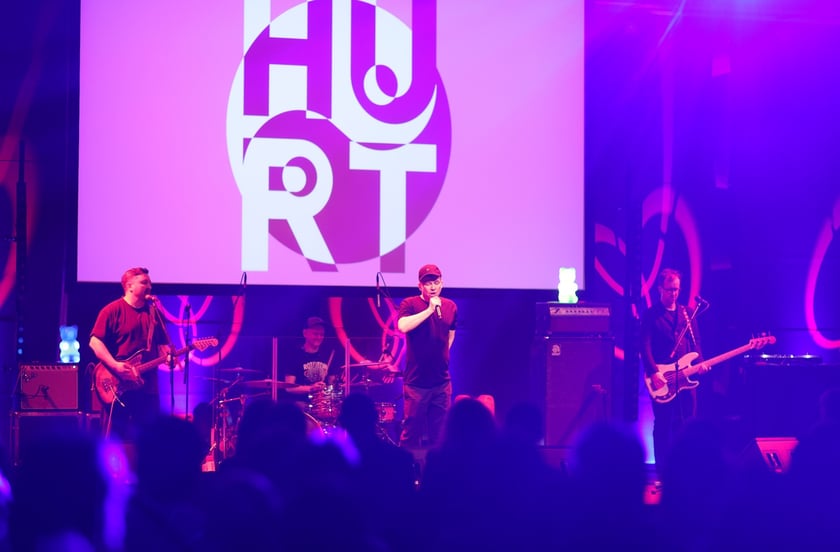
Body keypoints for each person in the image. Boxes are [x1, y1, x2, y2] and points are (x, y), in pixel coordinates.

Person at [89, 267, 173, 442]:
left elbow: (163, 348)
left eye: (150, 283)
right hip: (118, 386)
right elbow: (95, 343)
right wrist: (115, 366)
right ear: (129, 286)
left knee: (148, 440)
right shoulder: (112, 310)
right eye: (144, 282)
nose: (149, 286)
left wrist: (170, 358)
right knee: (116, 439)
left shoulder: (154, 314)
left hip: (147, 387)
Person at [640, 268, 709, 469]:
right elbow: (644, 346)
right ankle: (662, 470)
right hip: (664, 378)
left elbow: (696, 344)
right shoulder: (651, 315)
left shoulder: (687, 313)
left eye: (677, 289)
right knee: (663, 424)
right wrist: (653, 372)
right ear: (660, 289)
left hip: (686, 377)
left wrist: (700, 363)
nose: (674, 294)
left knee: (688, 422)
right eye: (670, 289)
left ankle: (686, 468)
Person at [397, 263, 457, 450]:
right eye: (428, 283)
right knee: (411, 432)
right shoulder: (410, 304)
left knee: (440, 434)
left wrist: (442, 354)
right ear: (420, 286)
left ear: (442, 284)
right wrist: (429, 310)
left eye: (436, 283)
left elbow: (451, 334)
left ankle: (436, 467)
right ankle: (405, 466)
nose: (432, 287)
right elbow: (403, 326)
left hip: (441, 382)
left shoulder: (450, 306)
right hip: (416, 382)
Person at [281, 316, 340, 414]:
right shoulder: (294, 356)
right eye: (315, 334)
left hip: (322, 404)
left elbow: (332, 384)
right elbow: (289, 388)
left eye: (321, 334)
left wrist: (329, 387)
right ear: (305, 333)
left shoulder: (328, 356)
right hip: (301, 403)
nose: (319, 337)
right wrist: (311, 388)